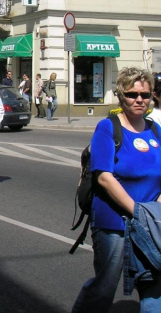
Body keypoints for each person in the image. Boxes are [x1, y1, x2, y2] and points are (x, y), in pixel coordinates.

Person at [72, 67, 161, 312]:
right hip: (114, 224)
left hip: (150, 225)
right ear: (121, 96)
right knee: (104, 287)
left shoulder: (155, 130)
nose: (139, 99)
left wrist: (154, 212)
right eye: (132, 94)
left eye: (145, 94)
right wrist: (138, 212)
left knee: (154, 287)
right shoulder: (108, 127)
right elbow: (104, 178)